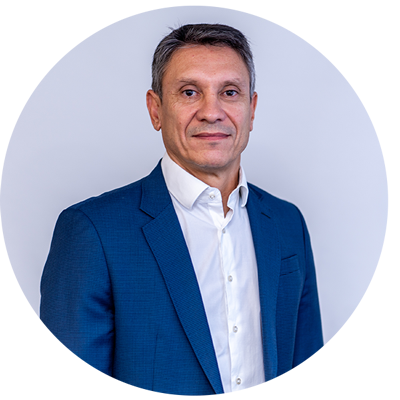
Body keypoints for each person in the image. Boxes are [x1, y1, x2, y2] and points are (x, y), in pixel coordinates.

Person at [38, 23, 328, 396]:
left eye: (230, 92)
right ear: (156, 109)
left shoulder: (287, 224)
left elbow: (308, 382)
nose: (212, 112)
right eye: (190, 92)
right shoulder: (93, 232)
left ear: (251, 109)